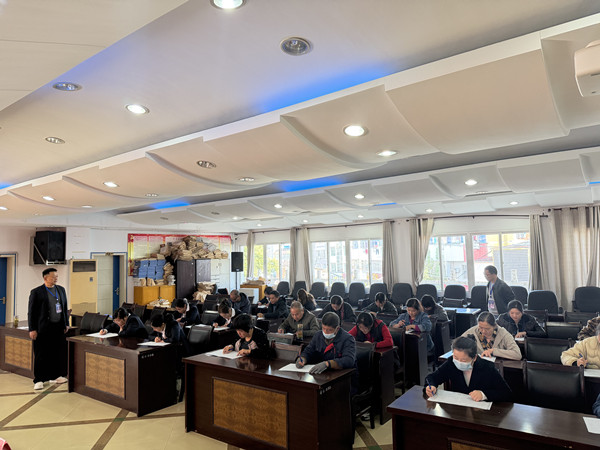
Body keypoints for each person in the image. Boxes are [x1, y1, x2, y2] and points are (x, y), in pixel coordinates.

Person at [424, 335, 512, 402]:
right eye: (456, 357)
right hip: (457, 410)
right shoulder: (451, 363)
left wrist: (483, 395)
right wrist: (430, 386)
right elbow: (431, 377)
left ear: (475, 358)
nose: (458, 362)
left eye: (463, 360)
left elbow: (506, 393)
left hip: (481, 413)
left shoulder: (487, 367)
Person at [28, 268, 69, 390]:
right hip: (42, 328)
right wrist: (32, 329)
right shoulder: (36, 292)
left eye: (57, 276)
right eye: (53, 277)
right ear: (45, 278)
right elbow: (31, 312)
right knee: (41, 354)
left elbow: (64, 307)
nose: (56, 278)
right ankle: (39, 379)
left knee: (56, 353)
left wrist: (66, 323)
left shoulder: (61, 290)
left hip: (58, 327)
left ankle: (55, 376)